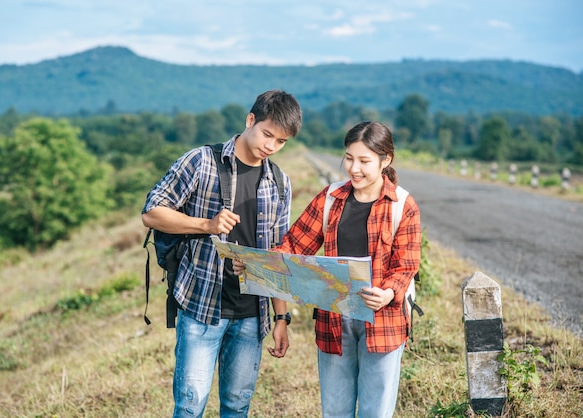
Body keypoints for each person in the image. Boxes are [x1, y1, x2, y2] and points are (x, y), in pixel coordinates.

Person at [236, 121, 421, 417]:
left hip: (384, 321)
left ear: (386, 161)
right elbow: (294, 245)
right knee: (335, 410)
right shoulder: (331, 199)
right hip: (334, 317)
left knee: (376, 411)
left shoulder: (402, 204)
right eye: (349, 158)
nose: (354, 168)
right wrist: (259, 263)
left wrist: (388, 293)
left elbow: (406, 264)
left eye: (364, 161)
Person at [141, 89, 302, 417]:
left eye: (281, 142)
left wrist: (281, 317)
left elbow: (276, 256)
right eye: (267, 134)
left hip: (252, 314)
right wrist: (206, 225)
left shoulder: (280, 183)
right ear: (250, 120)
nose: (270, 146)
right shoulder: (201, 161)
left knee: (237, 407)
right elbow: (151, 212)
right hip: (201, 306)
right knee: (189, 406)